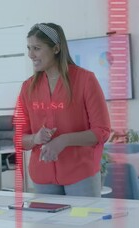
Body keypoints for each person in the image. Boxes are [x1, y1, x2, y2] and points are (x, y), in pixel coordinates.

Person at [17, 23, 111, 197]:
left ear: (56, 48)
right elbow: (20, 139)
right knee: (48, 225)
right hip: (42, 176)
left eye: (37, 48)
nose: (31, 55)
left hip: (80, 174)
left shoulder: (85, 80)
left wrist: (64, 140)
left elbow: (102, 131)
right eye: (29, 48)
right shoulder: (27, 87)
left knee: (84, 224)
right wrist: (35, 138)